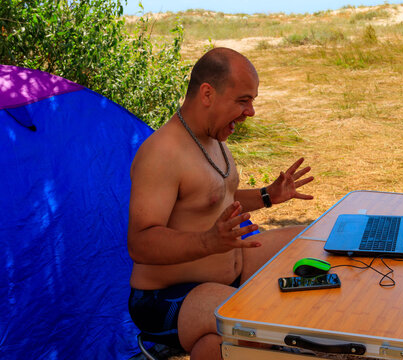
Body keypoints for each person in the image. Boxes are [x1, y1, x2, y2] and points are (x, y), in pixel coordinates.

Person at [127, 47, 314, 360]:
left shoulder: (213, 139)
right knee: (256, 325)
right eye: (243, 100)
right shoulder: (162, 154)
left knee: (309, 240)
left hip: (228, 273)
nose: (251, 112)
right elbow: (140, 242)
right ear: (207, 94)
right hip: (168, 298)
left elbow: (214, 199)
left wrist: (268, 195)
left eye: (252, 100)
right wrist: (208, 241)